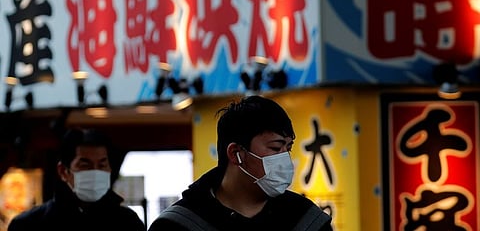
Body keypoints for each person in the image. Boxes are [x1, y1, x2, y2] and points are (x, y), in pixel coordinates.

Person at [149, 95, 332, 231]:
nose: (285, 159)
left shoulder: (306, 220)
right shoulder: (177, 226)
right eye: (276, 148)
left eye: (288, 148)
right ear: (236, 153)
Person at [8, 128, 145, 231]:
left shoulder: (128, 222)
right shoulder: (29, 224)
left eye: (102, 164)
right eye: (85, 165)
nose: (95, 172)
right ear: (63, 171)